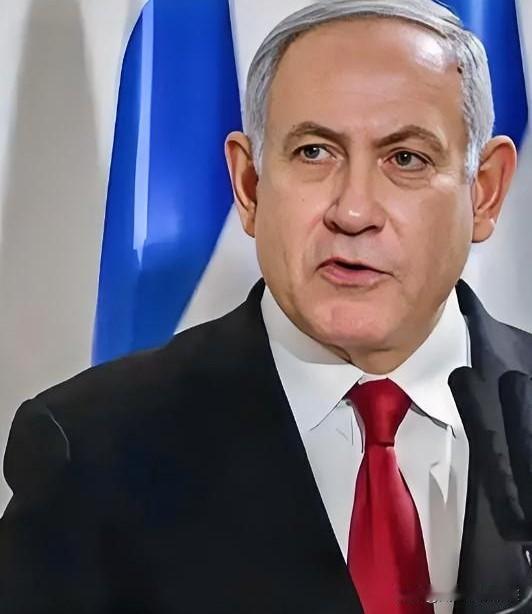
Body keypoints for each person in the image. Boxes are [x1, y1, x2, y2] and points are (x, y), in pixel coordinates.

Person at [1, 0, 531, 612]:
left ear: (484, 192)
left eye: (405, 159)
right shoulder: (90, 451)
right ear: (249, 185)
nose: (353, 211)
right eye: (314, 152)